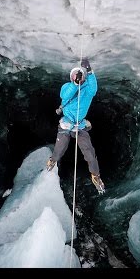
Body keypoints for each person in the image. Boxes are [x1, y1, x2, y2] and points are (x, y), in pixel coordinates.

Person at [46, 57, 105, 194]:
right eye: (74, 74)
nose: (77, 76)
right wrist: (75, 84)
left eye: (79, 74)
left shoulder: (88, 91)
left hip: (80, 125)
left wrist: (89, 71)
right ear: (71, 77)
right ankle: (53, 161)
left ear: (83, 77)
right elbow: (65, 95)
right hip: (66, 124)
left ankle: (95, 176)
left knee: (89, 153)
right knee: (60, 149)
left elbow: (94, 88)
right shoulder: (67, 87)